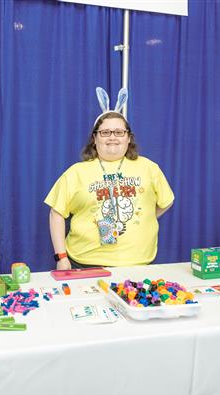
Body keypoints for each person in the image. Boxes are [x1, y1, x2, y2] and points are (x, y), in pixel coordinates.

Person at [44, 87, 174, 270]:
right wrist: (61, 257)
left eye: (119, 132)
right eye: (105, 132)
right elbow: (56, 213)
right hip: (85, 264)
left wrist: (145, 217)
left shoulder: (149, 168)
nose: (112, 137)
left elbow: (166, 201)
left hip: (139, 264)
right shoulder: (76, 172)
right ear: (95, 138)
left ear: (129, 138)